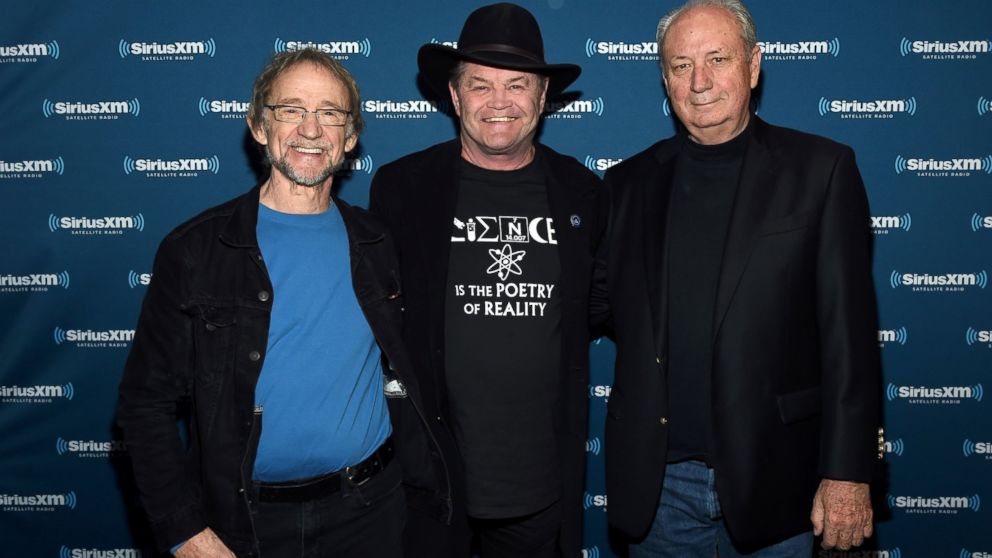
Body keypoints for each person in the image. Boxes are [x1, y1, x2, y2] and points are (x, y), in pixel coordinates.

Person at [117, 48, 452, 558]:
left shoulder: (378, 243)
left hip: (371, 512)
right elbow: (144, 406)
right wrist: (185, 532)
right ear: (257, 126)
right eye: (291, 109)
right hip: (244, 523)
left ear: (351, 137)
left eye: (330, 113)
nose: (310, 129)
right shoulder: (196, 250)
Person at [590, 0, 883, 556]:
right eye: (680, 66)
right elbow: (594, 305)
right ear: (664, 78)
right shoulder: (625, 186)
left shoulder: (821, 171)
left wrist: (848, 472)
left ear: (753, 65)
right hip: (660, 493)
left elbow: (850, 338)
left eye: (717, 59)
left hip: (783, 482)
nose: (699, 82)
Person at [369, 3, 605, 557]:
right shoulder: (403, 188)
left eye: (517, 85)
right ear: (454, 97)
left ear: (543, 98)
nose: (499, 102)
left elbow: (596, 305)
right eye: (480, 85)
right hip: (430, 478)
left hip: (540, 483)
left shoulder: (582, 191)